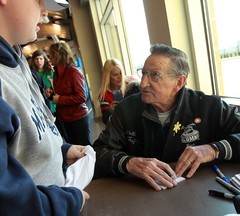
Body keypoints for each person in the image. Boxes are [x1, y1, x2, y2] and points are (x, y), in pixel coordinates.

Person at [0, 0, 90, 215]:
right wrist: (66, 202)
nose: (45, 12)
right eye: (39, 0)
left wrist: (60, 150)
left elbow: (24, 132)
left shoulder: (14, 56)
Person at [93, 44, 240, 191]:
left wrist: (214, 149)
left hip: (200, 195)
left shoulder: (209, 107)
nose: (143, 83)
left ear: (179, 82)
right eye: (143, 73)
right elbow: (97, 154)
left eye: (154, 75)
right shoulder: (126, 110)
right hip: (142, 198)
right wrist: (128, 163)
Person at [49, 41, 91, 146]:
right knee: (73, 150)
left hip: (78, 118)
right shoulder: (56, 74)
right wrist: (51, 93)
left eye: (51, 55)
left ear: (57, 55)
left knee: (84, 149)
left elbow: (81, 97)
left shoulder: (74, 72)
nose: (49, 58)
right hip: (65, 119)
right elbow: (60, 93)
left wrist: (59, 99)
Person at [98, 58, 126, 124]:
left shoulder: (130, 86)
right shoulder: (104, 95)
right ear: (108, 77)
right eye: (115, 75)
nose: (120, 77)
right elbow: (105, 120)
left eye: (121, 73)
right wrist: (110, 111)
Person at [30, 49, 56, 113]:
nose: (39, 61)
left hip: (55, 104)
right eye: (36, 59)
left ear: (44, 60)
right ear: (33, 60)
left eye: (41, 59)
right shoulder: (32, 74)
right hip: (42, 106)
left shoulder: (50, 72)